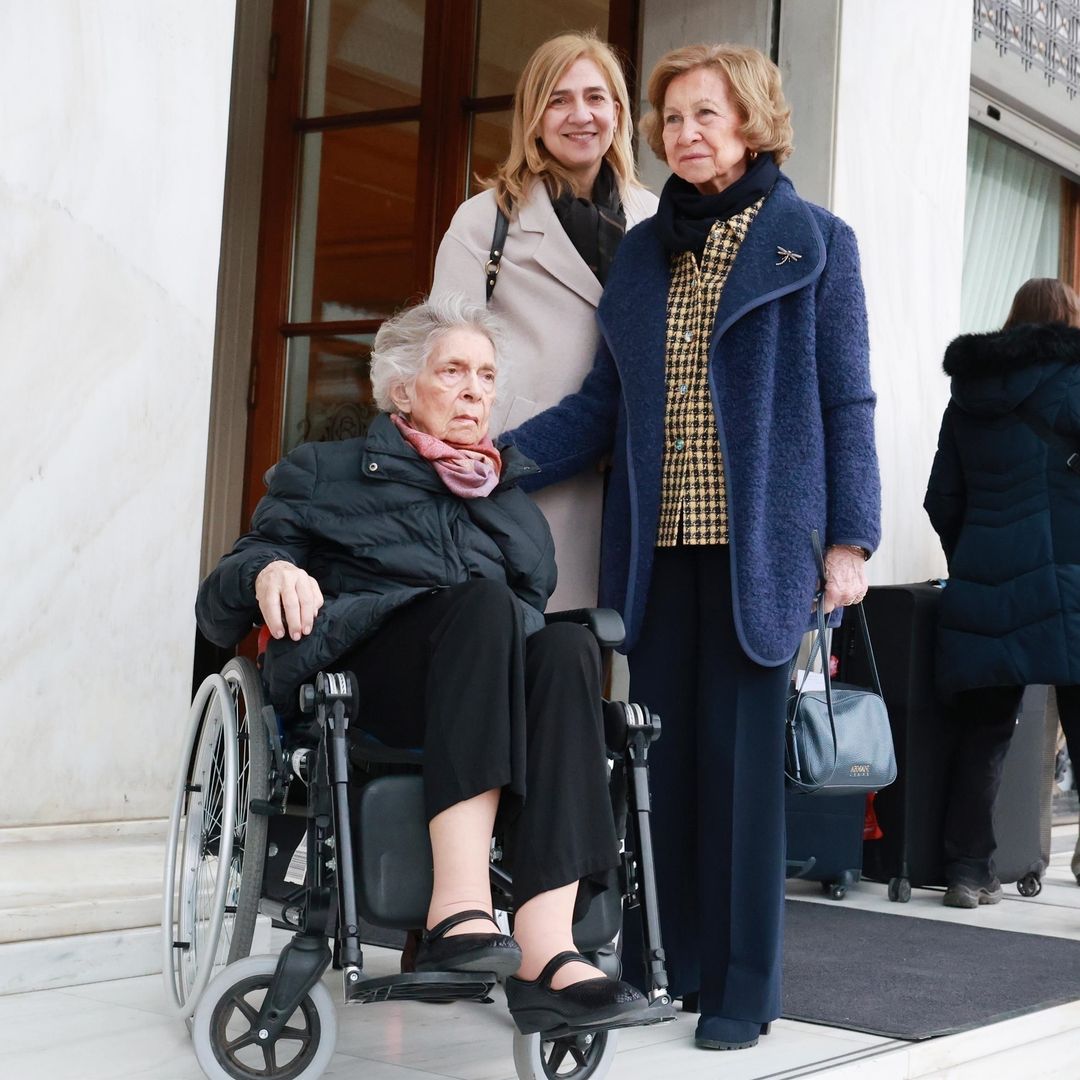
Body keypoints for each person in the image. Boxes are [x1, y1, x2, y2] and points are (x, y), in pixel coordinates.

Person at [503, 44, 880, 1051]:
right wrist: (498, 461)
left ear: (751, 124)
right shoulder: (644, 251)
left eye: (705, 115)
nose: (684, 134)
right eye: (670, 119)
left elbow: (848, 402)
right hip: (659, 551)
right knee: (661, 773)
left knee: (743, 774)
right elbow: (601, 408)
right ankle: (669, 962)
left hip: (764, 550)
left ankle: (745, 989)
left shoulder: (815, 241)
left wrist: (850, 541)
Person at [195, 295, 655, 1036]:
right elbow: (222, 598)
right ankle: (459, 907)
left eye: (486, 375)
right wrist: (268, 572)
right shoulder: (326, 473)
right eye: (454, 372)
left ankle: (548, 951)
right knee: (482, 609)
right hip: (371, 688)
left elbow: (527, 624)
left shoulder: (508, 503)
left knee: (569, 646)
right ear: (403, 388)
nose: (477, 390)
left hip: (481, 690)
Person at [430, 30, 657, 610]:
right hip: (526, 470)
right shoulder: (485, 220)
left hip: (632, 475)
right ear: (533, 116)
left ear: (619, 113)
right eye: (558, 100)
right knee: (535, 658)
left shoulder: (657, 217)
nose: (580, 115)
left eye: (596, 97)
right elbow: (440, 355)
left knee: (613, 660)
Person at [925, 277, 1080, 903]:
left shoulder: (968, 397)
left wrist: (975, 558)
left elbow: (943, 500)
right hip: (1071, 583)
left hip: (985, 584)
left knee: (984, 733)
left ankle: (968, 870)